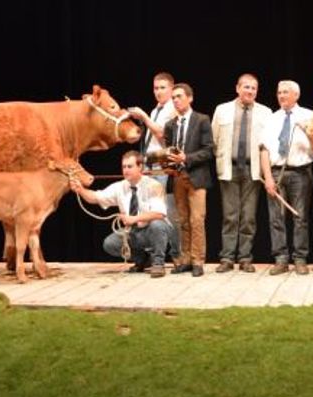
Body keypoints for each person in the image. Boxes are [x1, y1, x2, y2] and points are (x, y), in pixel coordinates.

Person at [72, 150, 172, 278]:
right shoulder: (119, 187)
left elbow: (160, 214)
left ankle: (158, 263)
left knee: (157, 225)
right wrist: (80, 190)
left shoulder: (154, 185)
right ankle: (142, 260)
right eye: (124, 167)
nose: (126, 170)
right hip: (133, 232)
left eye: (130, 166)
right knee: (110, 243)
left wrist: (134, 218)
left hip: (151, 231)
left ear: (140, 167)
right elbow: (96, 197)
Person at [211, 73, 272, 272]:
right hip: (229, 168)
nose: (250, 91)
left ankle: (245, 257)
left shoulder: (265, 112)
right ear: (238, 88)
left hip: (252, 169)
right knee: (230, 215)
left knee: (248, 217)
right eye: (246, 87)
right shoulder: (222, 110)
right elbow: (214, 140)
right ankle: (227, 258)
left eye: (254, 88)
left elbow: (267, 145)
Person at [259, 80, 313, 275]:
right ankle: (281, 259)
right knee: (276, 218)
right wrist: (268, 178)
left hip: (301, 172)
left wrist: (307, 130)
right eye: (279, 92)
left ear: (296, 95)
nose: (281, 96)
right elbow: (264, 149)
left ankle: (300, 258)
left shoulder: (309, 115)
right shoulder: (272, 118)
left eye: (285, 92)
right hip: (276, 172)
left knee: (300, 218)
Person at [128, 72, 181, 261]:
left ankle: (177, 255)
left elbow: (162, 135)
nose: (158, 92)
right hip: (150, 166)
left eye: (163, 88)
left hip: (163, 167)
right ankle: (152, 255)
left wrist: (143, 116)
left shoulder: (172, 109)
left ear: (172, 89)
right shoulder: (156, 110)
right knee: (148, 211)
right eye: (156, 88)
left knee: (168, 211)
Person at [163, 83, 214, 277]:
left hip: (197, 177)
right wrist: (167, 163)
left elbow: (209, 150)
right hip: (177, 178)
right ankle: (185, 260)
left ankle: (198, 261)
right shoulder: (170, 125)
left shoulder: (201, 120)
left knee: (197, 220)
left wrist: (187, 158)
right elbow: (169, 151)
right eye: (173, 97)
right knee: (182, 220)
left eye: (179, 96)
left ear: (190, 98)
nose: (176, 100)